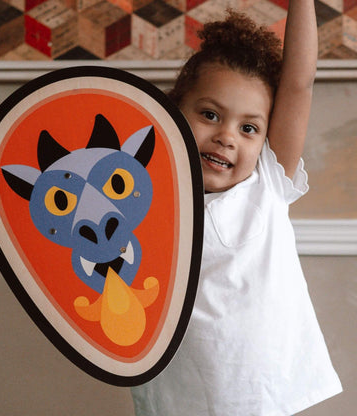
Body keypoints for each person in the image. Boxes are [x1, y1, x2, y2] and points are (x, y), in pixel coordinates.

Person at [131, 2, 343, 415]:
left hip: (264, 396)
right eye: (210, 115)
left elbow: (299, 83)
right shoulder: (148, 200)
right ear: (176, 112)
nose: (227, 137)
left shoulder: (267, 181)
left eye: (249, 128)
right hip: (176, 399)